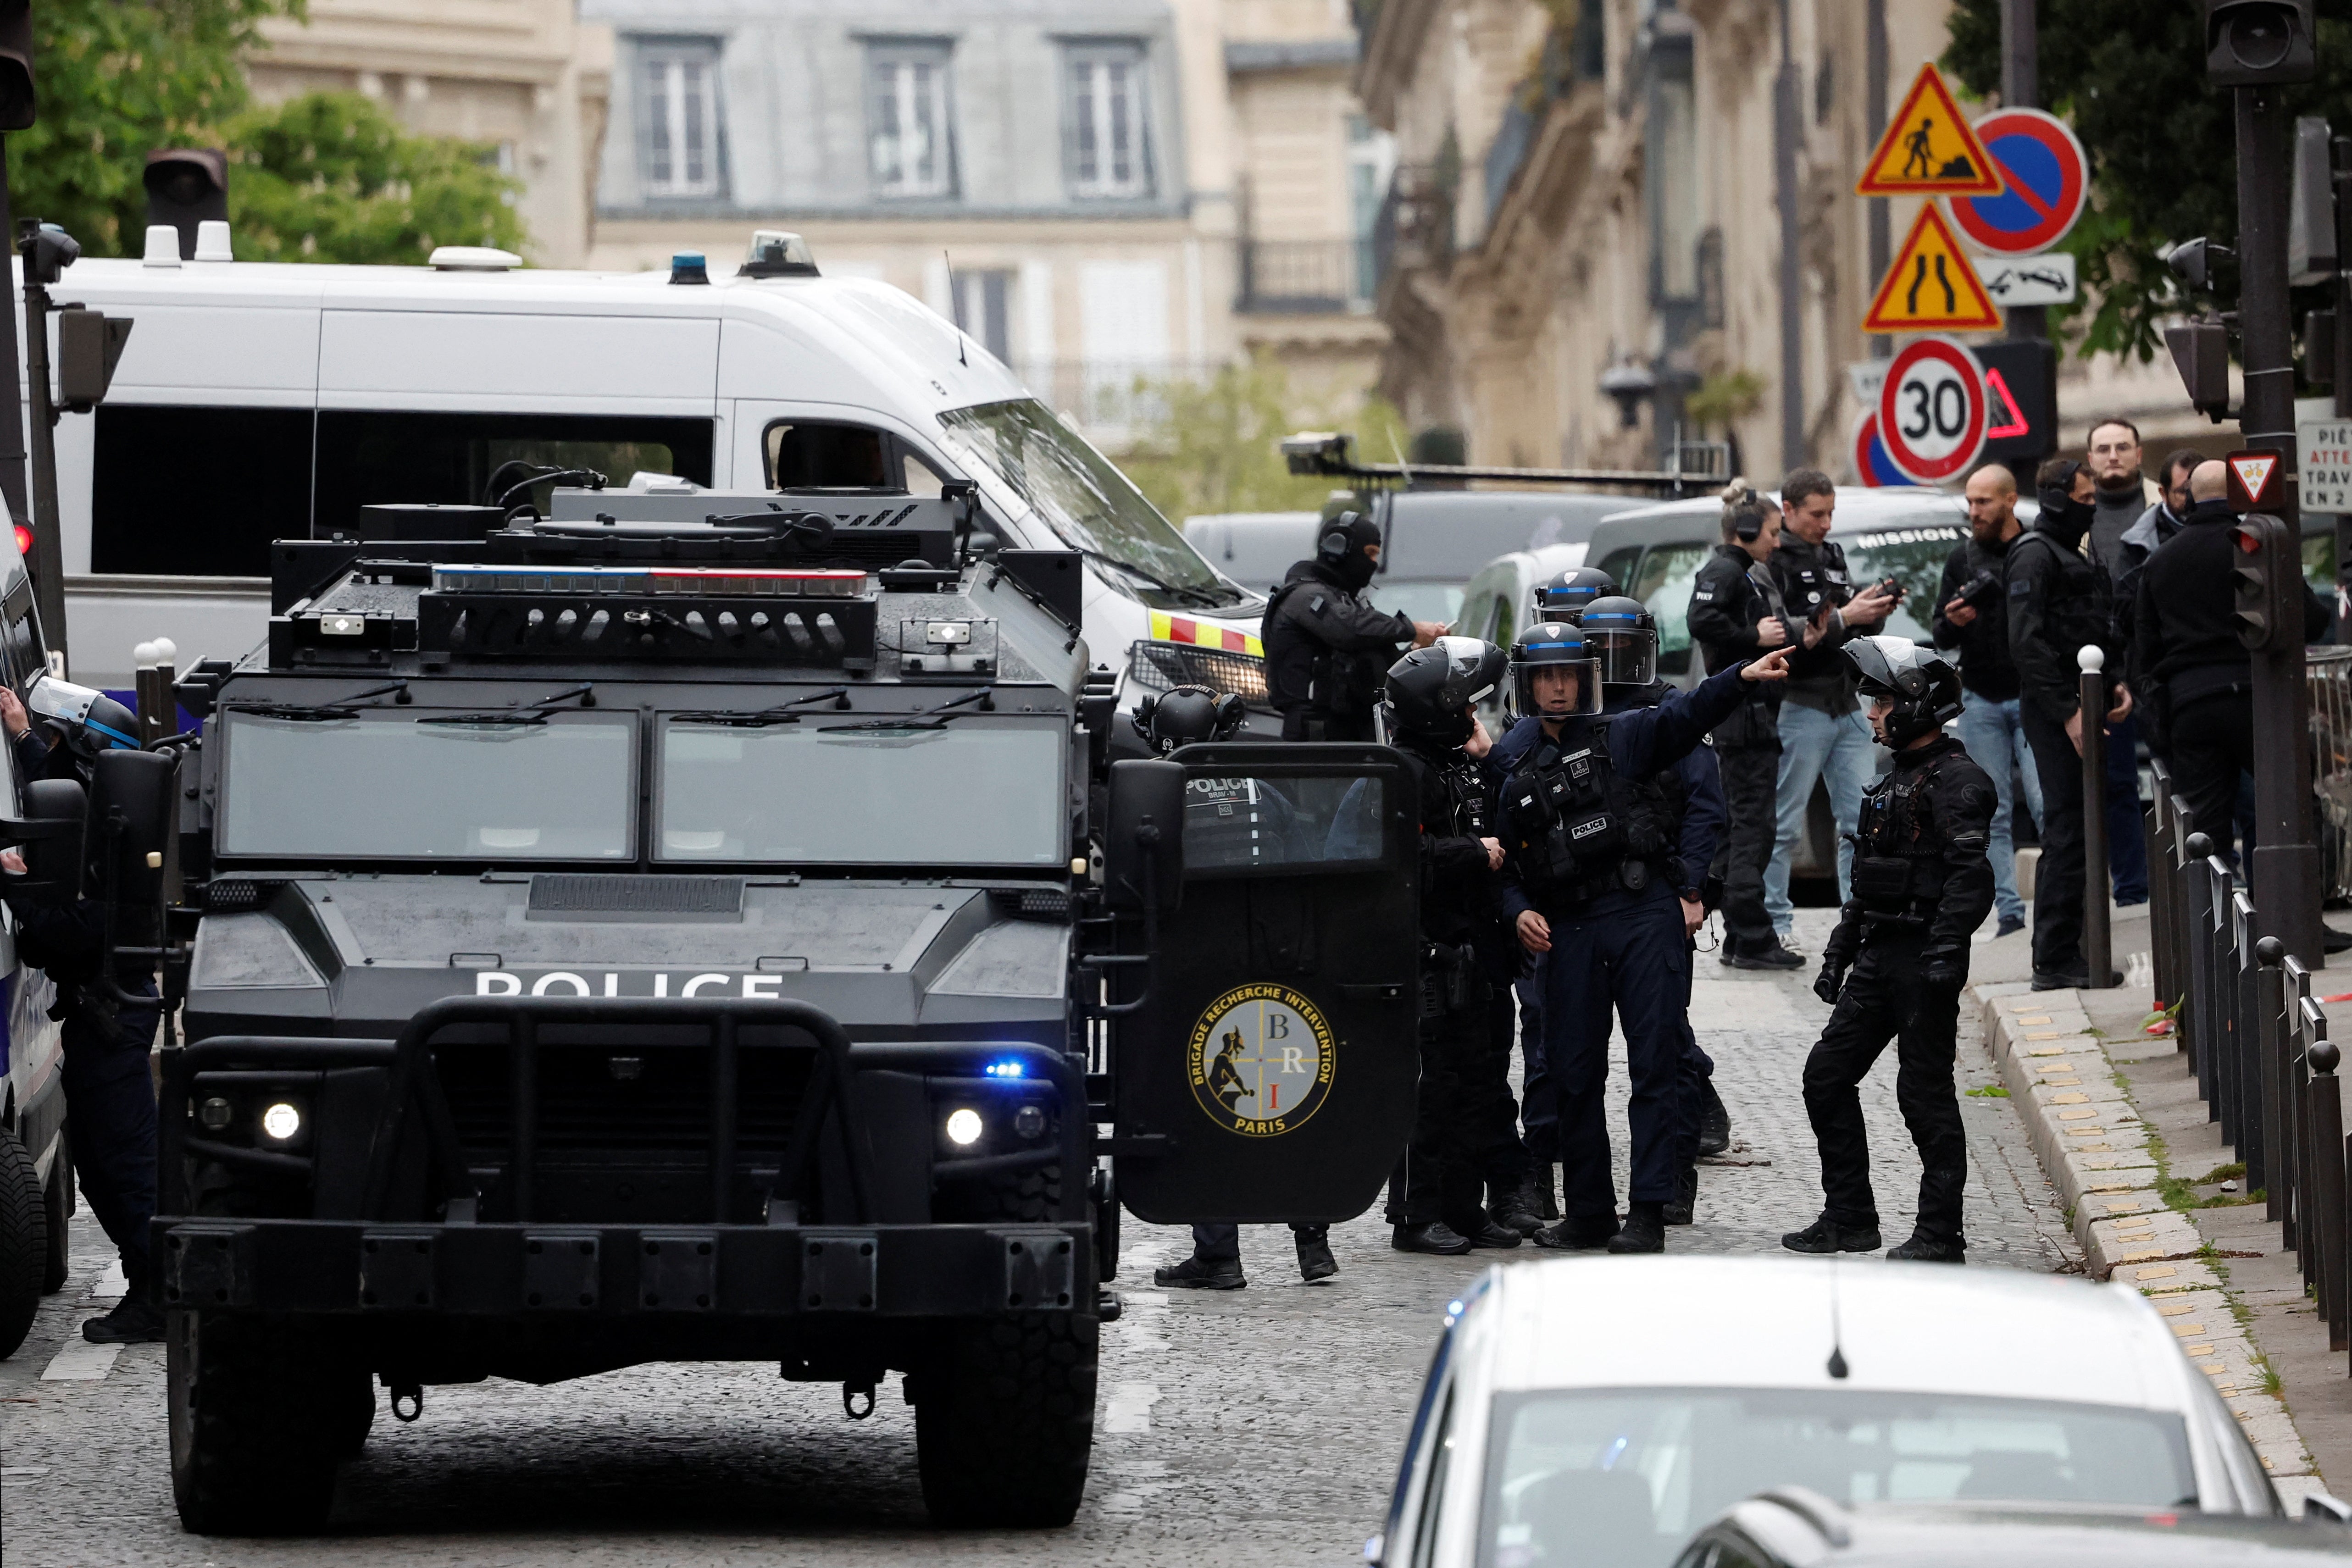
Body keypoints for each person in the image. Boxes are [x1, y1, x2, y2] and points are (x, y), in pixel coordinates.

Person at [1493, 619, 1792, 1255]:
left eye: (1567, 675)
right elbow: (1500, 857)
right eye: (1545, 676)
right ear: (1527, 684)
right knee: (1572, 1069)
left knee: (1655, 1062)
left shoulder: (1623, 737)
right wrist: (1518, 908)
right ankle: (1590, 1211)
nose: (1556, 688)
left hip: (1641, 914)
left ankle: (1649, 1209)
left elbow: (1685, 715)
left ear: (1586, 678)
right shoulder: (1511, 758)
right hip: (1566, 930)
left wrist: (1739, 677)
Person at [1784, 637, 1992, 1264]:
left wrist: (1946, 951)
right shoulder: (1891, 778)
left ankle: (1940, 1233)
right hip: (1880, 954)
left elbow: (1969, 879)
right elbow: (1865, 879)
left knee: (1923, 1095)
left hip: (1924, 960)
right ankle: (1849, 1216)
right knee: (1826, 1075)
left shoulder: (1960, 783)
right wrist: (1838, 952)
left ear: (1918, 704)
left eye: (1881, 699)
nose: (1871, 712)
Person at [1137, 686, 1338, 1288]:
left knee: (1206, 1111)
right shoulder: (1265, 793)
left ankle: (1219, 1253)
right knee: (1288, 1102)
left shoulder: (1155, 799)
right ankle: (1314, 1243)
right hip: (1270, 972)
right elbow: (1303, 872)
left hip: (1193, 977)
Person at [0, 680, 164, 1341]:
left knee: (124, 1162)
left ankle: (157, 1294)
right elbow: (55, 787)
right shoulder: (104, 817)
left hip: (111, 1011)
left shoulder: (107, 844)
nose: (54, 754)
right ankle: (151, 1284)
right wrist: (20, 731)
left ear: (89, 756)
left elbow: (60, 932)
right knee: (101, 1159)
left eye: (62, 740)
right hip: (108, 1007)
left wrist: (15, 889)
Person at [1378, 637, 1539, 1255]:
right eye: (1466, 709)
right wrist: (1475, 851)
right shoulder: (1406, 773)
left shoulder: (1449, 762)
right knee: (1437, 1087)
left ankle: (1464, 1208)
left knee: (1478, 1081)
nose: (1476, 719)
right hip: (1435, 954)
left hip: (1475, 952)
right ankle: (1417, 1215)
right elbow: (1402, 856)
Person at [1585, 595, 1728, 1225]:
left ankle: (1671, 1181)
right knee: (1570, 1056)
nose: (1613, 663)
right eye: (1601, 648)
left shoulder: (1669, 713)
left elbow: (1704, 806)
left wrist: (1692, 889)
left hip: (1658, 896)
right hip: (1584, 904)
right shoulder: (1562, 709)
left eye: (1624, 647)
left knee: (1662, 1048)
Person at [2131, 460, 2332, 870]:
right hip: (2259, 696)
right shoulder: (2256, 547)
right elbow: (2311, 618)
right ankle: (2287, 912)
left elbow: (2144, 649)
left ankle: (2211, 926)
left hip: (2192, 704)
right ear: (2239, 494)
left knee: (2204, 825)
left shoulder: (2161, 560)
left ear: (2189, 498)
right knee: (2286, 808)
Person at [2007, 459, 2131, 991]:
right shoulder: (2034, 555)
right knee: (2066, 828)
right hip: (2057, 707)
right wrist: (2069, 710)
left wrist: (2115, 680)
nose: (2091, 506)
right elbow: (2027, 644)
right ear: (2058, 499)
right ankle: (2054, 957)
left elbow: (2095, 623)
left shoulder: (2074, 550)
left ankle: (2074, 948)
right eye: (2083, 497)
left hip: (2084, 699)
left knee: (2084, 828)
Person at [1764, 470, 1899, 948]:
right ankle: (1776, 923)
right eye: (1816, 514)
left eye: (1830, 514)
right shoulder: (1773, 560)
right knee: (1783, 823)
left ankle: (1856, 918)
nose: (1825, 523)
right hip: (1799, 703)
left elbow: (1846, 628)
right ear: (1789, 509)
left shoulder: (1833, 555)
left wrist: (1874, 610)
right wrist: (1846, 616)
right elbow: (1787, 633)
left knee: (1859, 821)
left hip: (1846, 701)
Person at [1687, 483, 1804, 971]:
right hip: (1744, 722)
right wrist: (1751, 636)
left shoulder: (1742, 572)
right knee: (1751, 829)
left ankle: (1741, 933)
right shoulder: (1724, 570)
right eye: (1773, 533)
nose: (1777, 543)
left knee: (1742, 829)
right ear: (1749, 531)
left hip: (1749, 717)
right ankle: (1751, 934)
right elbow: (1700, 618)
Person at [1934, 464, 2041, 939]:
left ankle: (2063, 906)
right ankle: (2010, 913)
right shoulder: (1962, 558)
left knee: (2044, 804)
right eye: (1970, 502)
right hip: (1979, 696)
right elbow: (1939, 631)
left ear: (2010, 500)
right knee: (1990, 809)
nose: (1974, 511)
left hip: (2032, 695)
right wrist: (1955, 620)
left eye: (1984, 502)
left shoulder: (2035, 549)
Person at [1262, 512, 1444, 741]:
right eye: (1369, 553)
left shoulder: (1340, 599)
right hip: (1314, 734)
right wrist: (1412, 629)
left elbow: (1366, 664)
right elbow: (1349, 630)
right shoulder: (1305, 596)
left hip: (1347, 730)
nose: (1373, 564)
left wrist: (1412, 652)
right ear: (1337, 548)